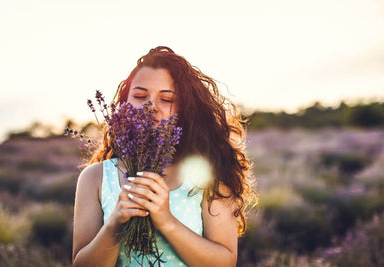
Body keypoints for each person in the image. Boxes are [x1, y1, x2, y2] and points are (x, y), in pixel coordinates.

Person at [72, 46, 253, 266]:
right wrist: (115, 223)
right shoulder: (95, 178)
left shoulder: (209, 174)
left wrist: (166, 221)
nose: (151, 106)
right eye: (140, 95)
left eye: (167, 99)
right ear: (125, 104)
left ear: (186, 108)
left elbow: (225, 262)